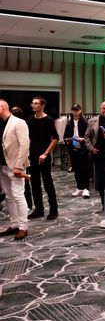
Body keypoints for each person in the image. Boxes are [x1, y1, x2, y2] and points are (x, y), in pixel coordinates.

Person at [0, 99, 30, 240]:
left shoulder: (18, 122)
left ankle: (23, 227)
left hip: (15, 166)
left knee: (18, 196)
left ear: (2, 107)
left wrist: (19, 166)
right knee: (9, 196)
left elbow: (25, 145)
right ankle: (14, 224)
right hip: (2, 166)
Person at [27, 96, 59, 220]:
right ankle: (39, 209)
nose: (33, 105)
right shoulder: (30, 119)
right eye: (32, 103)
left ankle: (54, 209)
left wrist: (45, 154)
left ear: (42, 105)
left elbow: (55, 138)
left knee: (47, 183)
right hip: (32, 156)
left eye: (36, 103)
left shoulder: (48, 120)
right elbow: (29, 137)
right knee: (34, 183)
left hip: (44, 156)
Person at [85, 101, 105, 208]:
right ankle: (104, 202)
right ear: (100, 109)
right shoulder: (92, 121)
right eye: (104, 108)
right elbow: (87, 137)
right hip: (98, 154)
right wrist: (91, 149)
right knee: (101, 180)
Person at [64, 104, 90, 198]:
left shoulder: (85, 122)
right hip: (73, 148)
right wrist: (68, 140)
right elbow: (65, 136)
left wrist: (82, 139)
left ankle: (86, 189)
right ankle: (79, 187)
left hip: (83, 148)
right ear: (71, 111)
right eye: (74, 110)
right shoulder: (69, 123)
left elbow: (89, 136)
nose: (75, 111)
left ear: (80, 111)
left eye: (77, 110)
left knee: (84, 169)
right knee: (76, 169)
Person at [10, 105, 33, 210]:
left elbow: (27, 142)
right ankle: (24, 204)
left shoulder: (22, 124)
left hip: (22, 157)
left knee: (23, 183)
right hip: (13, 157)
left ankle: (27, 204)